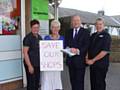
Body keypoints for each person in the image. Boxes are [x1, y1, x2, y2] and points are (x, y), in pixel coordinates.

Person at [65, 15, 90, 90]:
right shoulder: (68, 32)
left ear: (80, 22)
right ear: (72, 22)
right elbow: (66, 43)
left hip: (80, 62)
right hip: (70, 61)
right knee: (72, 81)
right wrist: (67, 48)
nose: (75, 22)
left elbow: (87, 45)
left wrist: (78, 50)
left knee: (79, 82)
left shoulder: (86, 32)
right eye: (74, 20)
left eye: (77, 20)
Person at [86, 18, 111, 90]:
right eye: (97, 24)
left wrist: (93, 60)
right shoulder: (93, 35)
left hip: (101, 65)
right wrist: (87, 57)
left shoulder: (106, 36)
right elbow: (89, 48)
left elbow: (104, 51)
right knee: (93, 83)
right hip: (93, 65)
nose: (98, 26)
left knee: (99, 84)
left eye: (100, 24)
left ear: (104, 25)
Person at [41, 20, 64, 90]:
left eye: (57, 27)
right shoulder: (46, 38)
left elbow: (65, 50)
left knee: (56, 80)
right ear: (51, 28)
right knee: (47, 80)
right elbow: (43, 51)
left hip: (57, 64)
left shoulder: (62, 38)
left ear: (59, 28)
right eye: (53, 27)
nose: (55, 29)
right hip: (47, 65)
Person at [23, 19, 42, 90]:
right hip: (30, 64)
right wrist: (29, 66)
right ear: (31, 28)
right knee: (31, 84)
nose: (36, 29)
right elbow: (25, 53)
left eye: (37, 27)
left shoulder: (40, 37)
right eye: (34, 27)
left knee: (37, 83)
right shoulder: (27, 38)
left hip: (37, 64)